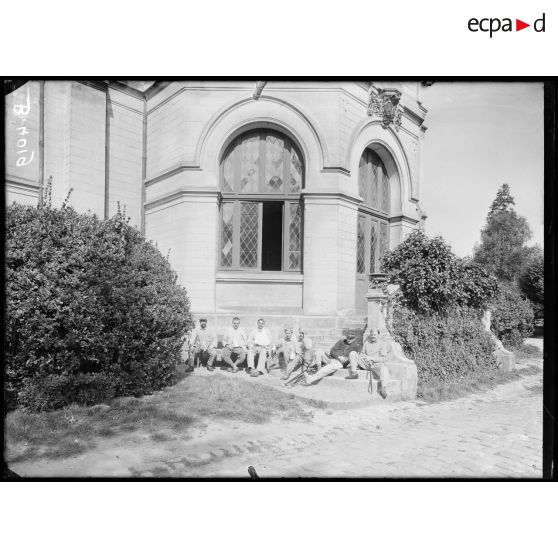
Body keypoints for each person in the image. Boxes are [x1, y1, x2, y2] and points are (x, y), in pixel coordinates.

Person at [356, 328, 390, 399]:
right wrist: (365, 358)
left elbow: (384, 358)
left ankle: (383, 388)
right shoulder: (366, 343)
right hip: (366, 364)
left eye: (375, 335)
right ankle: (354, 372)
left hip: (376, 365)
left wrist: (372, 359)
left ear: (378, 335)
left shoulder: (382, 344)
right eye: (371, 335)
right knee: (354, 354)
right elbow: (361, 354)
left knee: (384, 369)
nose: (373, 336)